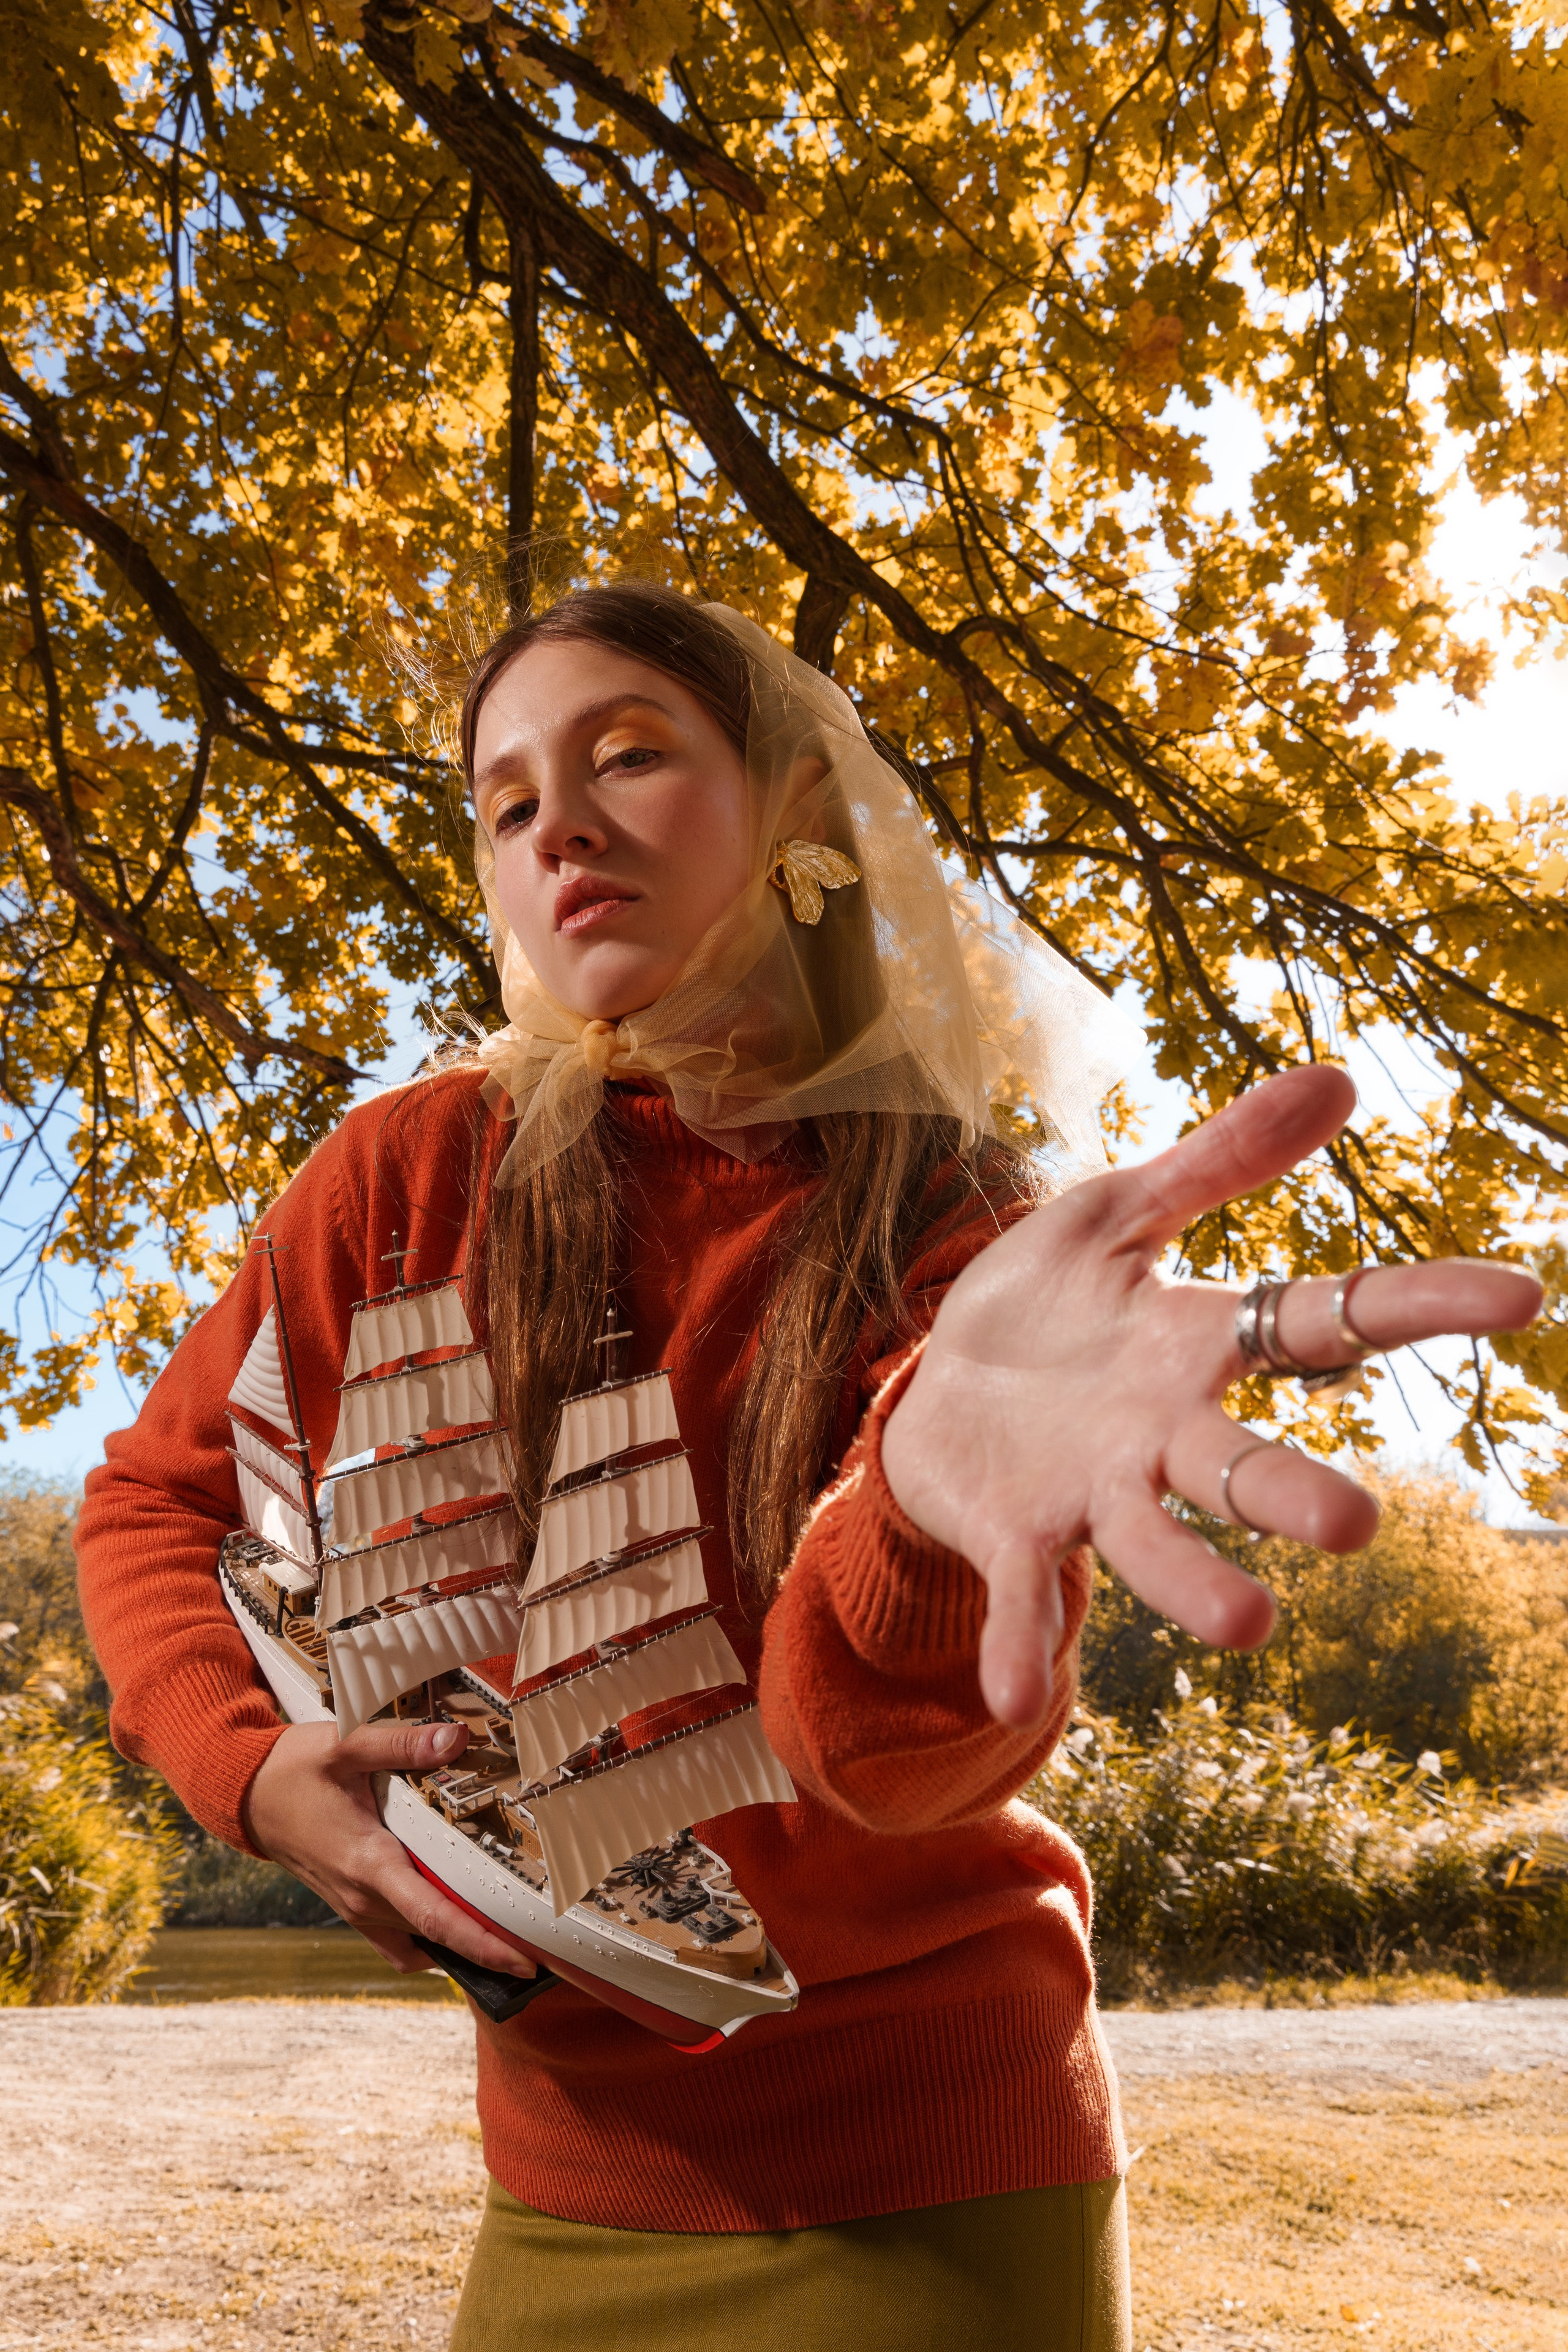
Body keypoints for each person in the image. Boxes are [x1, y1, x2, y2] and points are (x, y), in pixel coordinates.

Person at [74, 586, 1540, 2352]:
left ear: (789, 815)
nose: (567, 827)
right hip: (566, 2166)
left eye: (630, 755)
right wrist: (245, 1766)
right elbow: (161, 1501)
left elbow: (887, 1762)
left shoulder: (959, 1227)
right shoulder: (401, 1176)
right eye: (509, 800)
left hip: (938, 2173)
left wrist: (919, 1505)